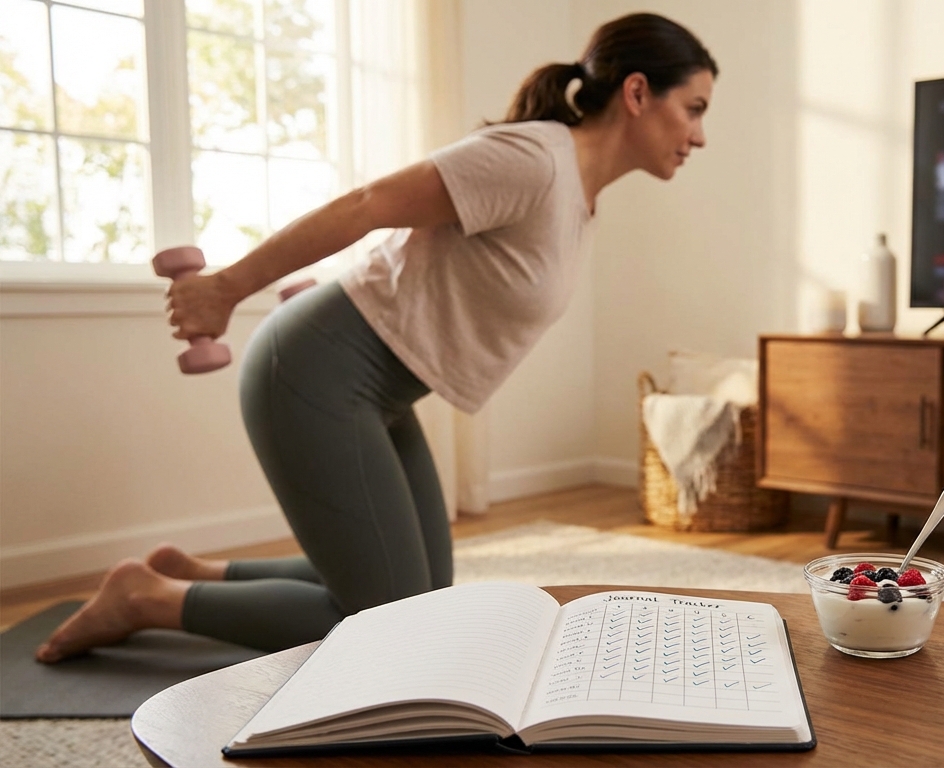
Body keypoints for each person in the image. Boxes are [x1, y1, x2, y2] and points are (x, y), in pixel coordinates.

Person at [36, 13, 717, 663]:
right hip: (315, 372)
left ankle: (202, 571)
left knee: (422, 594)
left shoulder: (578, 195)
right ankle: (150, 598)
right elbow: (368, 205)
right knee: (396, 629)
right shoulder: (532, 160)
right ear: (636, 93)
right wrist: (226, 287)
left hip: (378, 392)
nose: (700, 135)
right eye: (694, 108)